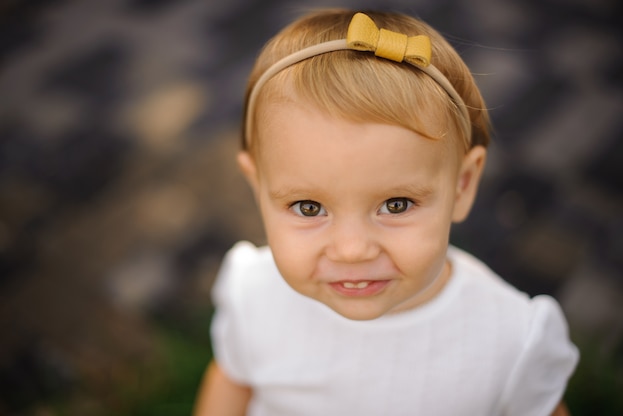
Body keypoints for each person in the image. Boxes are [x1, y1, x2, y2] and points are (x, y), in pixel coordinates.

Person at [193, 9, 579, 416]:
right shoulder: (256, 293)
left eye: (396, 205)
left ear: (462, 186)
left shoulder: (509, 341)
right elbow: (233, 379)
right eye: (308, 207)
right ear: (258, 189)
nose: (351, 250)